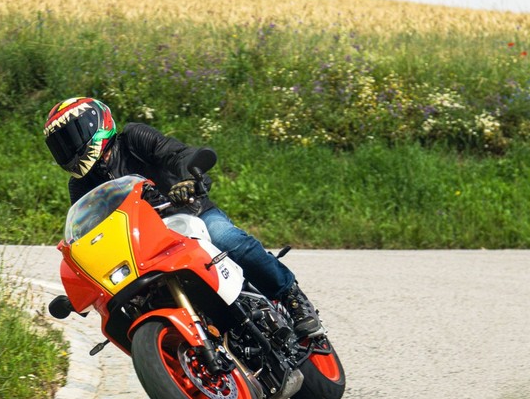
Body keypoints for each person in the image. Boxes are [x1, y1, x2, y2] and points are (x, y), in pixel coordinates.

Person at [43, 96, 324, 338]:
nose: (69, 148)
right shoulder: (80, 185)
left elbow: (176, 154)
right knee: (134, 299)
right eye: (61, 144)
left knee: (227, 238)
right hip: (144, 243)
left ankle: (292, 298)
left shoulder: (132, 138)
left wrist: (189, 178)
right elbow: (89, 231)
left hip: (189, 213)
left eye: (71, 136)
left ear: (96, 125)